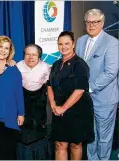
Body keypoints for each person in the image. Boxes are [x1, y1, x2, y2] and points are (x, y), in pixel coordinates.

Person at [75, 9, 119, 160]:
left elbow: (110, 72)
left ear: (102, 23)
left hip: (105, 99)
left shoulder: (112, 43)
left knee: (104, 137)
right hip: (85, 100)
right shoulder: (80, 41)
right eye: (88, 22)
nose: (92, 25)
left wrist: (89, 87)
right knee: (91, 135)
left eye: (95, 22)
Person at [47, 31, 94, 160]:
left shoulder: (80, 64)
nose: (64, 47)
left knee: (75, 144)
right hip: (58, 109)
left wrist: (63, 108)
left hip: (77, 110)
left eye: (67, 43)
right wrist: (53, 104)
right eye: (60, 44)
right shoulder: (56, 64)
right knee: (59, 144)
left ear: (73, 44)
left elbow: (80, 90)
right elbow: (49, 85)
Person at [17, 44, 51, 128]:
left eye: (34, 55)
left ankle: (41, 125)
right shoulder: (18, 66)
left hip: (40, 91)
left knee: (40, 110)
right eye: (28, 54)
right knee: (26, 112)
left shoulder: (45, 67)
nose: (30, 57)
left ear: (39, 57)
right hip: (24, 91)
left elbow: (48, 81)